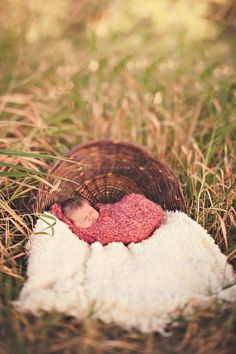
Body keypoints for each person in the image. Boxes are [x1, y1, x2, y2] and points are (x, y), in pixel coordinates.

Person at [50, 193, 165, 245]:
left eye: (90, 212)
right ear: (73, 226)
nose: (90, 217)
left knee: (133, 199)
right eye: (83, 220)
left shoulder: (104, 212)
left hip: (123, 212)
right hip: (125, 227)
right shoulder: (87, 233)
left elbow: (114, 211)